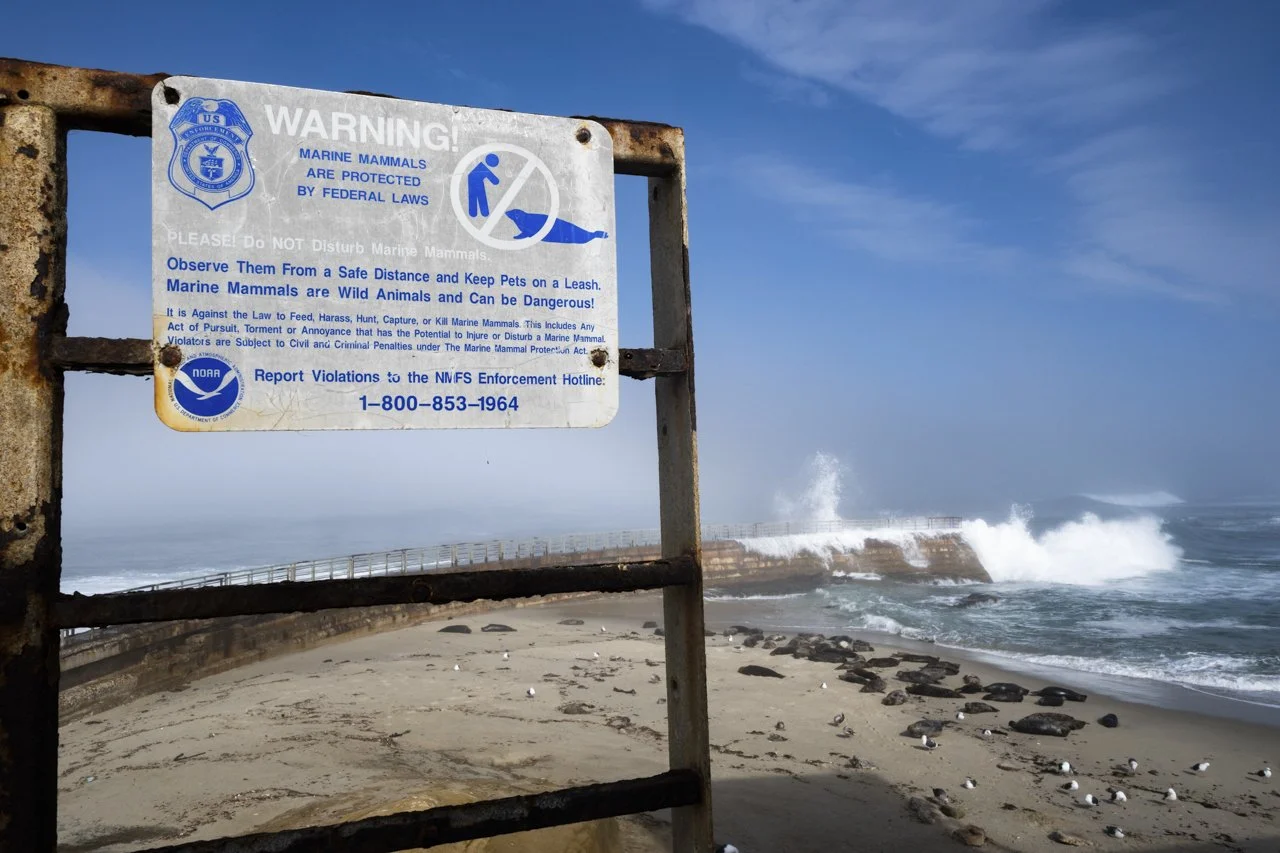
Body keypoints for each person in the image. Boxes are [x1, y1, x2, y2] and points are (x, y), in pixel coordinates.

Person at [467, 153, 501, 217]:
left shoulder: (481, 167)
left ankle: (475, 213)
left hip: (473, 182)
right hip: (476, 183)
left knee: (475, 198)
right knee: (480, 198)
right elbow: (495, 181)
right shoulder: (483, 168)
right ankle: (479, 213)